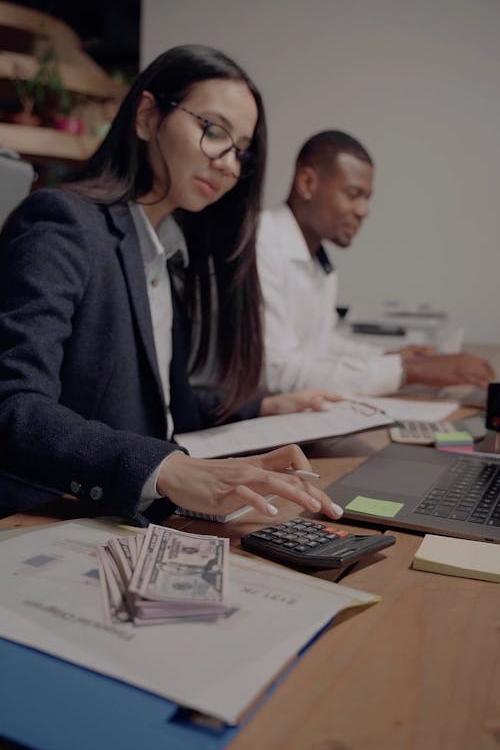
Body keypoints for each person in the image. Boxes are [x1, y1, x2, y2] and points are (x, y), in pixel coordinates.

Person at [0, 45, 343, 525]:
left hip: (137, 517)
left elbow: (153, 402)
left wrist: (264, 406)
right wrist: (168, 469)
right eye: (213, 130)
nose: (229, 163)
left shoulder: (164, 249)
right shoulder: (62, 224)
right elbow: (14, 405)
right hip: (53, 517)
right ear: (146, 116)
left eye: (242, 150)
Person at [257, 130, 494, 396]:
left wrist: (388, 356)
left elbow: (320, 345)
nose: (363, 211)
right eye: (353, 193)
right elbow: (275, 372)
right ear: (308, 183)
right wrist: (408, 370)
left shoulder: (317, 260)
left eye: (367, 198)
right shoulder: (260, 245)